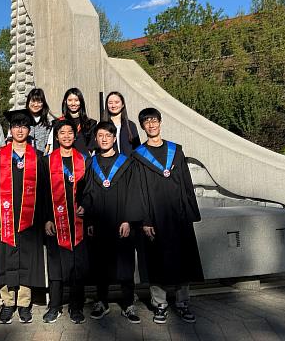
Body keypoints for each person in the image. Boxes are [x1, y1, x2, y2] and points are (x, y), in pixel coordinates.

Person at [134, 107, 203, 325]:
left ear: (160, 123)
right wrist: (145, 220)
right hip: (155, 217)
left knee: (184, 261)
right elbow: (138, 190)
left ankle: (183, 303)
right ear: (143, 126)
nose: (152, 125)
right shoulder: (139, 156)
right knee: (156, 262)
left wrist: (190, 212)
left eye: (154, 121)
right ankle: (160, 305)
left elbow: (187, 183)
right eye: (147, 122)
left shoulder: (176, 151)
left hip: (179, 215)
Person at [0, 109, 46, 325]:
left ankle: (23, 303)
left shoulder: (37, 157)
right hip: (5, 218)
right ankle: (7, 302)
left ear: (29, 130)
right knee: (6, 258)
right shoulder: (0, 156)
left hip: (30, 219)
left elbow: (45, 191)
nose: (19, 130)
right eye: (16, 126)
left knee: (27, 258)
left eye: (23, 126)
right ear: (10, 130)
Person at [84, 121, 143, 323]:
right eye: (100, 136)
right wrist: (90, 221)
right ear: (96, 138)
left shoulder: (126, 163)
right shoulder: (92, 164)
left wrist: (128, 220)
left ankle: (128, 303)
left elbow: (134, 192)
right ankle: (102, 301)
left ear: (114, 138)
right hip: (100, 223)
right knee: (101, 264)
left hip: (122, 223)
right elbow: (88, 194)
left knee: (125, 264)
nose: (103, 139)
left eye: (107, 136)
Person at [41, 121, 89, 325]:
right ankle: (55, 306)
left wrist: (86, 205)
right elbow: (42, 193)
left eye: (70, 132)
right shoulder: (47, 161)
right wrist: (46, 218)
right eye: (62, 133)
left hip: (78, 221)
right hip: (55, 220)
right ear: (57, 136)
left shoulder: (84, 160)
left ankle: (76, 306)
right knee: (56, 267)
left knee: (77, 266)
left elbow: (89, 190)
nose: (67, 136)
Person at [59, 88, 97, 153]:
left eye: (76, 100)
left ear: (81, 102)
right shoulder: (59, 122)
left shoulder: (91, 123)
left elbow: (92, 148)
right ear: (65, 101)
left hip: (84, 160)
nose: (73, 103)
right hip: (63, 160)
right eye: (70, 100)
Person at [26, 87, 54, 155]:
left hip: (41, 159)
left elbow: (49, 144)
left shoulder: (49, 122)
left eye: (39, 102)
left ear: (43, 103)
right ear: (28, 102)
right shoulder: (21, 119)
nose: (36, 105)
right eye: (33, 101)